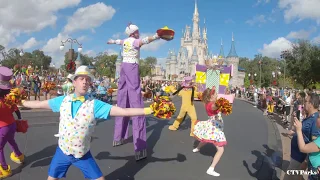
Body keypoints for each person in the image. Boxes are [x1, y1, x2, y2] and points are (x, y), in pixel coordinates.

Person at [21, 66, 154, 180]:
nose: (85, 82)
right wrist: (20, 101)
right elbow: (38, 104)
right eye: (81, 79)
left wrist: (148, 109)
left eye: (88, 80)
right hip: (63, 151)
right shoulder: (62, 101)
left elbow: (122, 111)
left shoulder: (94, 105)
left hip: (82, 154)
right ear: (74, 82)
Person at [107, 23, 161, 160]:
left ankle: (118, 137)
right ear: (134, 33)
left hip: (123, 68)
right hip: (132, 67)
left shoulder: (124, 41)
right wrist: (157, 36)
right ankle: (140, 147)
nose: (139, 33)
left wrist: (111, 41)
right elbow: (146, 41)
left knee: (122, 99)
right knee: (136, 101)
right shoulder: (135, 41)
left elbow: (117, 41)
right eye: (138, 31)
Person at [283, 93, 320, 180]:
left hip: (300, 158)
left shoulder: (315, 121)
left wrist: (306, 161)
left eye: (306, 101)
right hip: (296, 155)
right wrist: (294, 132)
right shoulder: (309, 117)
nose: (304, 103)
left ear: (311, 104)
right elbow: (305, 133)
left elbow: (313, 144)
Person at [192, 87, 226, 177]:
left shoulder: (207, 103)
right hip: (215, 127)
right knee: (221, 149)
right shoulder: (212, 105)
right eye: (215, 95)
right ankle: (211, 168)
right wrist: (222, 104)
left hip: (212, 123)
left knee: (206, 138)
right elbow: (215, 106)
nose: (217, 95)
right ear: (211, 97)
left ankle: (197, 148)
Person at [0, 66, 25, 178]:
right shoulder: (10, 98)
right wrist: (19, 120)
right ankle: (19, 156)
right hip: (12, 125)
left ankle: (4, 169)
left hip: (3, 128)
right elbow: (17, 110)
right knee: (11, 140)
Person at [294, 114, 320, 180]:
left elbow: (303, 148)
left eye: (319, 117)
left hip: (316, 171)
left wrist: (299, 130)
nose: (317, 118)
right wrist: (306, 160)